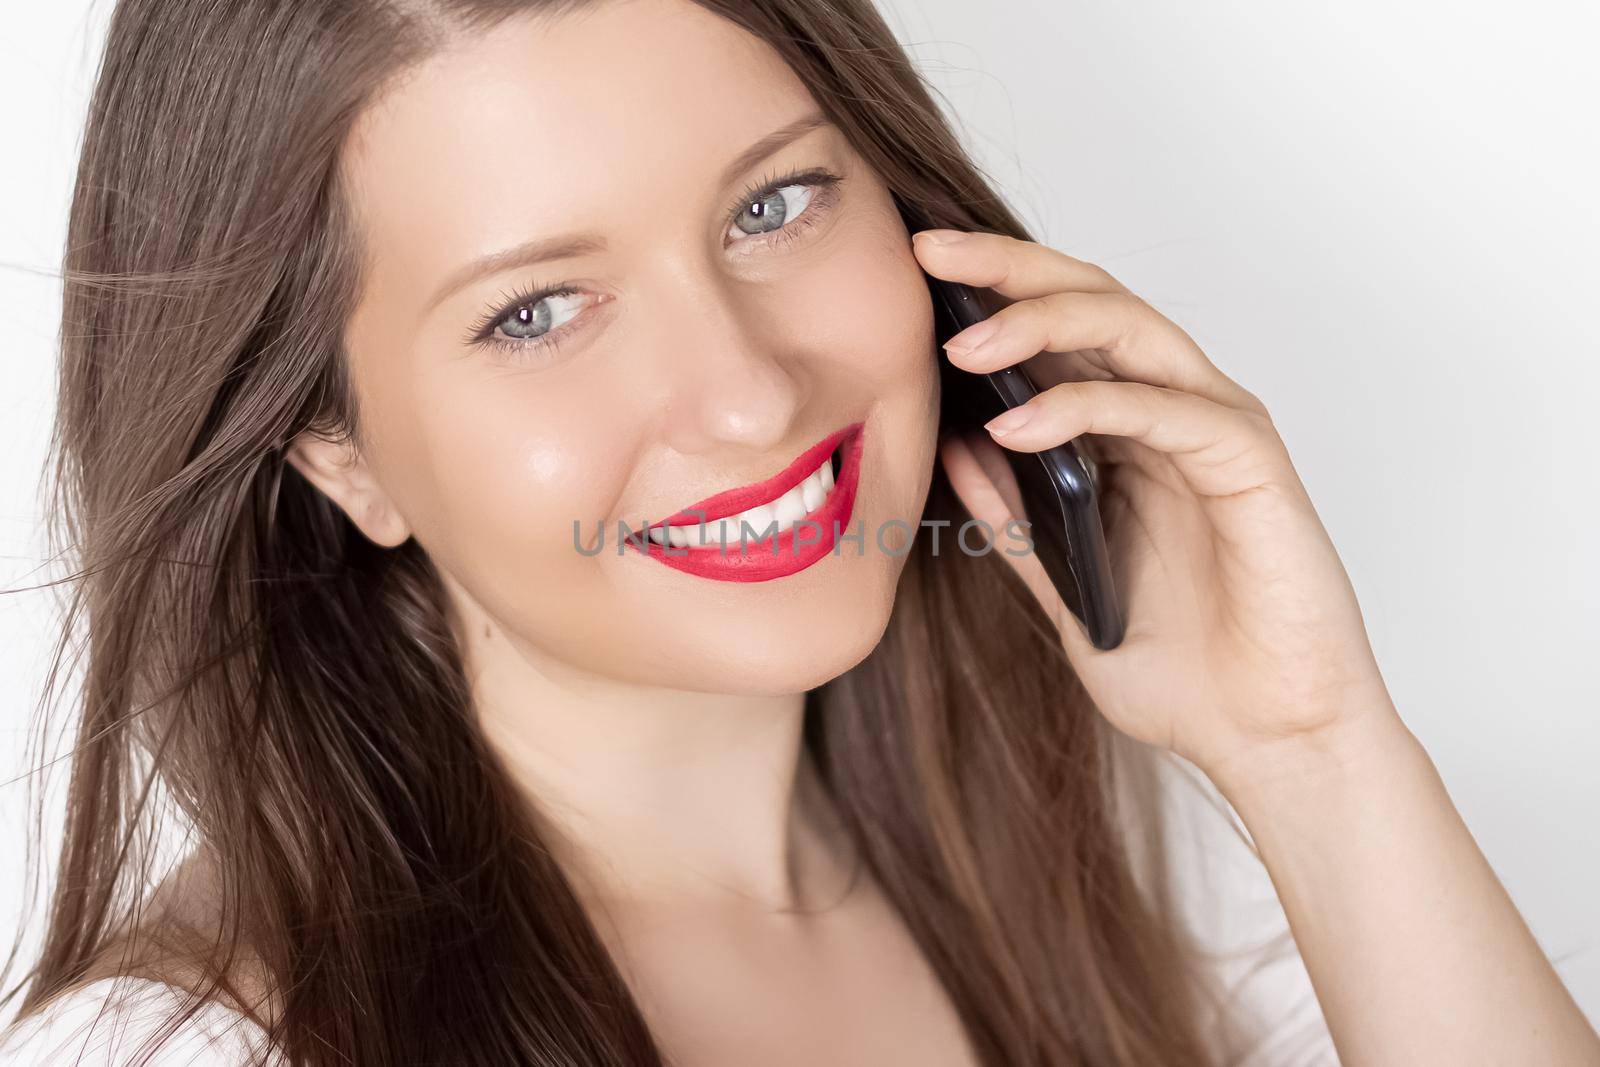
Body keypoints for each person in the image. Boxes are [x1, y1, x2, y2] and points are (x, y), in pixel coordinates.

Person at [2, 0, 1595, 1064]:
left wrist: (1311, 749)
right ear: (337, 456)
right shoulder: (200, 1043)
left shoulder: (1127, 841)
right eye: (540, 311)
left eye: (773, 207)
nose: (752, 397)